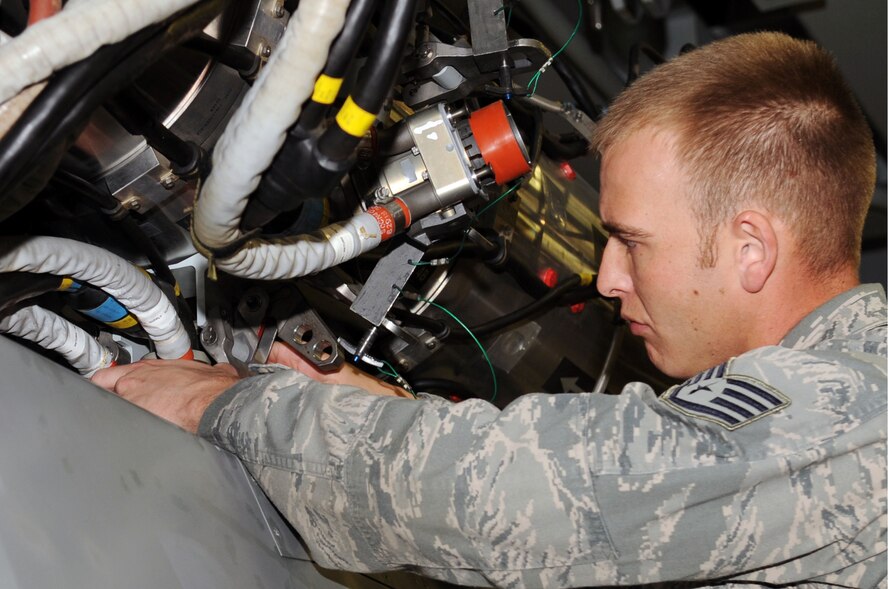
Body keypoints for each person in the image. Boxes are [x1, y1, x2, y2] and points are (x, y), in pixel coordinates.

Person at [92, 31, 886, 588]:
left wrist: (225, 403)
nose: (608, 278)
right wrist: (372, 407)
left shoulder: (858, 407)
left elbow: (523, 503)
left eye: (632, 241)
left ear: (752, 248)